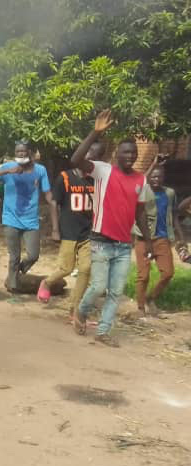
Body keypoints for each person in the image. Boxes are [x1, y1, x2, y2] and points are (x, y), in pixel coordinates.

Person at [70, 110, 153, 346]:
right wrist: (95, 132)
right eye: (126, 152)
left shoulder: (141, 180)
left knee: (115, 292)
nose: (131, 156)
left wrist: (147, 240)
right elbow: (76, 161)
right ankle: (82, 311)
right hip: (100, 241)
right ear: (117, 154)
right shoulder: (103, 170)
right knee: (98, 287)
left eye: (134, 153)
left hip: (123, 245)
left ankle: (104, 331)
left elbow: (140, 212)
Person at [38, 143, 103, 317]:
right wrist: (55, 229)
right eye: (90, 155)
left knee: (86, 269)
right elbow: (53, 203)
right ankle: (46, 282)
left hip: (88, 232)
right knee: (66, 268)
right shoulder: (65, 178)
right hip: (68, 231)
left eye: (96, 157)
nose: (92, 159)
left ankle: (74, 307)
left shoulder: (96, 180)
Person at [0, 143, 54, 292]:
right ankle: (13, 287)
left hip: (31, 221)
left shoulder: (40, 170)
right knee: (14, 256)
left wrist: (53, 205)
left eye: (23, 151)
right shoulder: (9, 167)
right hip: (10, 219)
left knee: (33, 255)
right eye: (17, 151)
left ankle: (17, 272)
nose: (20, 154)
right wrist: (6, 171)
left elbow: (47, 192)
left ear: (30, 153)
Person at [133, 166, 185, 317]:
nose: (156, 179)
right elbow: (139, 183)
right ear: (149, 178)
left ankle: (151, 299)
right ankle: (141, 307)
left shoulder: (169, 193)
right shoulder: (143, 191)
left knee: (168, 273)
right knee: (143, 275)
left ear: (163, 178)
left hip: (162, 238)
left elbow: (174, 215)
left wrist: (180, 236)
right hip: (143, 239)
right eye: (153, 177)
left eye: (159, 177)